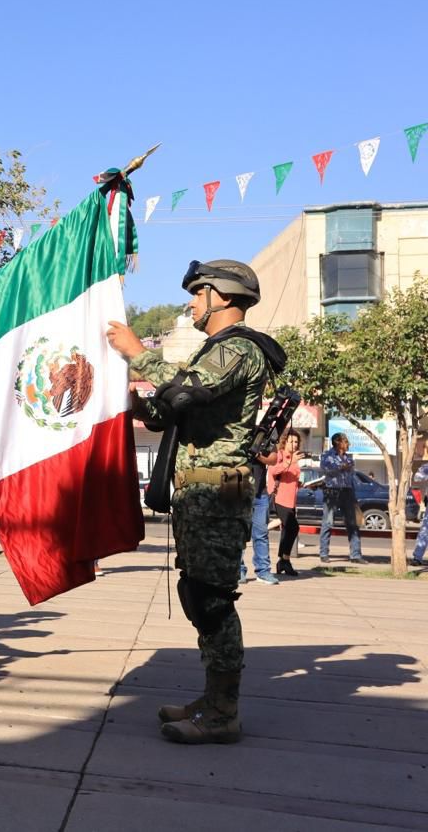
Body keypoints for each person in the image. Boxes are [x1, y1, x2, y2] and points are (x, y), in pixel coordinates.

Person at [107, 259, 286, 745]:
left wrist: (138, 353)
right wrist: (137, 404)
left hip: (216, 492)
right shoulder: (215, 351)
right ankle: (212, 699)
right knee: (199, 595)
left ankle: (223, 712)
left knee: (212, 602)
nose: (190, 302)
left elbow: (187, 390)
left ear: (222, 297)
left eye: (197, 292)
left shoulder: (238, 349)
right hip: (199, 493)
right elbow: (169, 413)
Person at [318, 433, 364, 564]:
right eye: (346, 442)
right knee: (328, 522)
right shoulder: (327, 455)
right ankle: (324, 553)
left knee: (352, 524)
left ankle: (356, 555)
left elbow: (350, 476)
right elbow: (325, 470)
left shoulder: (348, 458)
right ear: (338, 442)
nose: (348, 444)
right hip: (332, 491)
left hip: (347, 491)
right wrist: (340, 467)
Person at [268, 430, 303, 576]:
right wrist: (290, 461)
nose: (294, 445)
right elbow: (273, 470)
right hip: (279, 498)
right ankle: (285, 560)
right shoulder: (280, 455)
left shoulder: (295, 457)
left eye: (296, 442)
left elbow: (291, 477)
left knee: (287, 530)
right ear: (285, 442)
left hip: (291, 500)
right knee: (293, 527)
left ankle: (283, 562)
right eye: (291, 441)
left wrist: (299, 483)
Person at [246, 447, 280, 585]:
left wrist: (258, 455)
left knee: (261, 534)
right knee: (240, 534)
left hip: (260, 494)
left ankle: (263, 571)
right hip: (240, 492)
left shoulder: (264, 437)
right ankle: (239, 571)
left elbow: (273, 459)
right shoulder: (239, 434)